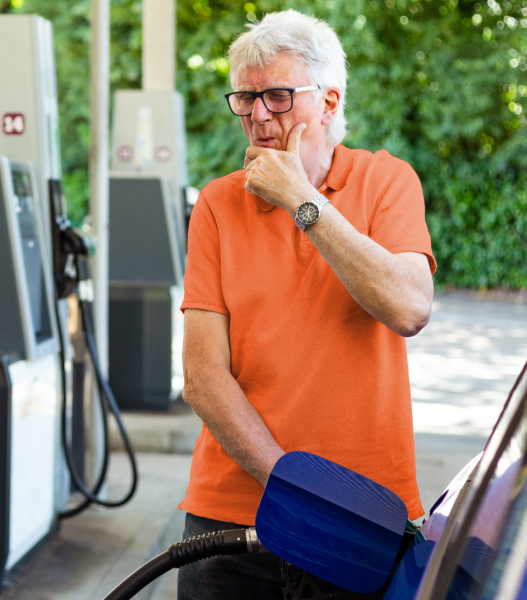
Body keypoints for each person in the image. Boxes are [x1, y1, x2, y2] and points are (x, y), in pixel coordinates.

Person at [177, 9, 436, 599]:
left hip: (369, 511)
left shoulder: (386, 181)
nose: (258, 115)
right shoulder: (218, 205)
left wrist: (300, 198)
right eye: (245, 98)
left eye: (276, 95)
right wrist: (294, 489)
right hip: (234, 515)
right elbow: (202, 376)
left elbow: (409, 308)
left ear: (328, 100)